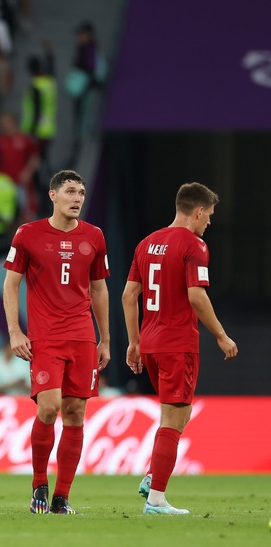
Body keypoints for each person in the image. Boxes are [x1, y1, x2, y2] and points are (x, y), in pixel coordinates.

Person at [121, 182, 238, 515]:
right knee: (174, 418)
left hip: (152, 344)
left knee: (177, 413)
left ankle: (152, 476)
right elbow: (196, 296)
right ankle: (156, 500)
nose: (209, 223)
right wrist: (220, 335)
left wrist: (134, 341)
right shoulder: (194, 244)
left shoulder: (146, 243)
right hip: (177, 344)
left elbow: (129, 296)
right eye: (209, 216)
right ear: (198, 211)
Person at [3, 169, 110, 515]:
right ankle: (38, 484)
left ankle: (62, 497)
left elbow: (99, 289)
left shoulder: (94, 236)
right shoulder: (28, 234)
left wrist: (105, 339)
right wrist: (15, 332)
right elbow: (10, 285)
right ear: (52, 195)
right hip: (46, 336)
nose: (77, 198)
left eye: (80, 192)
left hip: (82, 336)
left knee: (76, 413)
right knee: (49, 408)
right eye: (69, 191)